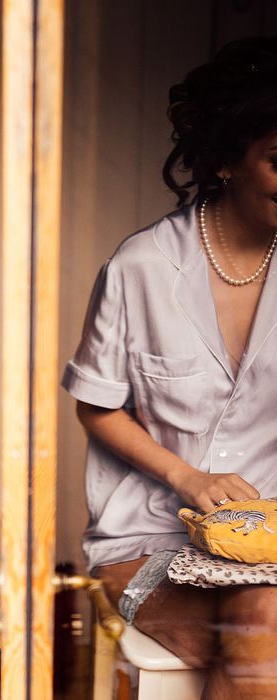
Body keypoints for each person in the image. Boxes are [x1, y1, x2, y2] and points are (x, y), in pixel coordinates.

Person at [62, 37, 277, 699]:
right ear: (222, 162)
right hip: (149, 538)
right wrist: (187, 476)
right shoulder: (142, 267)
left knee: (263, 621)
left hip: (271, 543)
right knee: (261, 635)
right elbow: (96, 405)